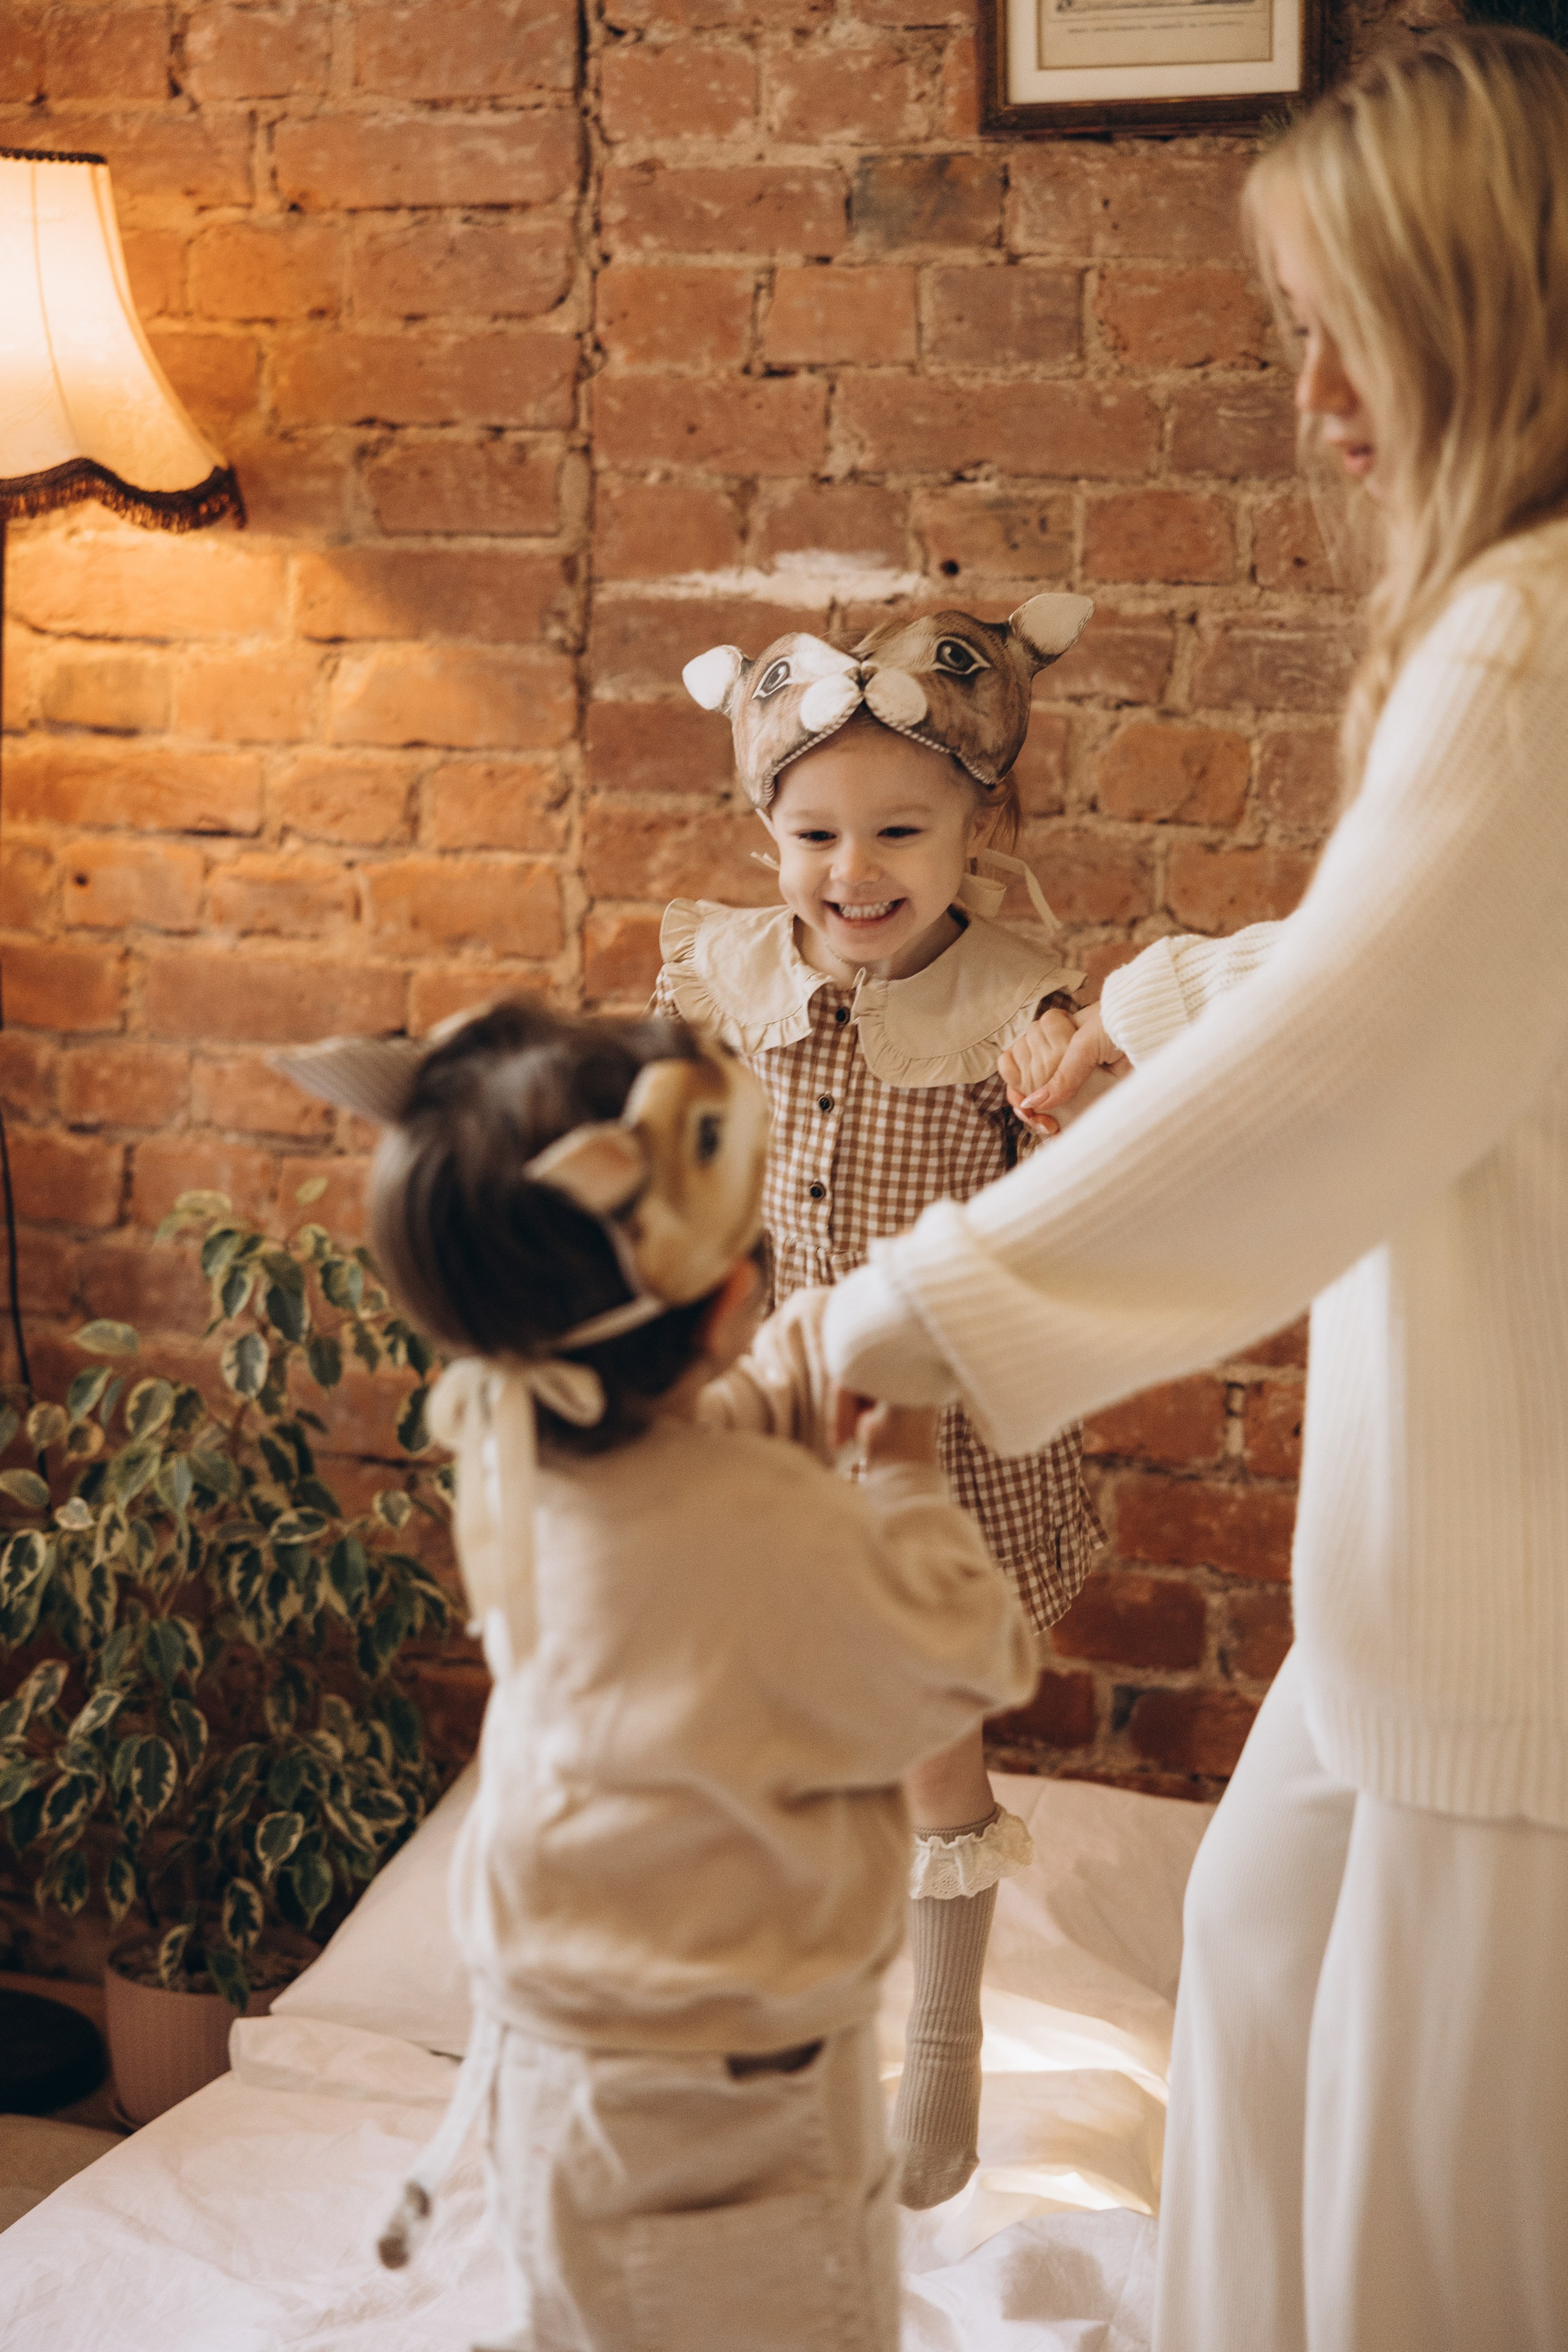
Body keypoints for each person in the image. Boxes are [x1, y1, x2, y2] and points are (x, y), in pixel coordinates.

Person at [820, 26, 1568, 2352]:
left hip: (1515, 1640)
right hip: (1415, 1610)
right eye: (1297, 336)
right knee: (1250, 2021)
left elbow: (1347, 1078)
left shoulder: (1531, 645)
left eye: (1361, 330)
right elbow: (1392, 971)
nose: (1320, 402)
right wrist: (1150, 997)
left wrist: (875, 1321)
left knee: (1414, 2259)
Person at [279, 999, 1035, 2352]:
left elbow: (695, 1449)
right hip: (734, 2115)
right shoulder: (767, 1531)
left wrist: (804, 1356)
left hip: (560, 2087)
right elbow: (963, 1653)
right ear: (725, 1295)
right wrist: (908, 1470)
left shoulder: (512, 1441)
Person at [663, 594, 1104, 2207]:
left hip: (931, 1433)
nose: (856, 874)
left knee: (925, 1739)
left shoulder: (1014, 999)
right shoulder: (730, 968)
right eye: (817, 834)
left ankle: (948, 2050)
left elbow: (1072, 1188)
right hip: (781, 1423)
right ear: (767, 828)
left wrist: (1067, 1089)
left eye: (902, 830)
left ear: (980, 821)